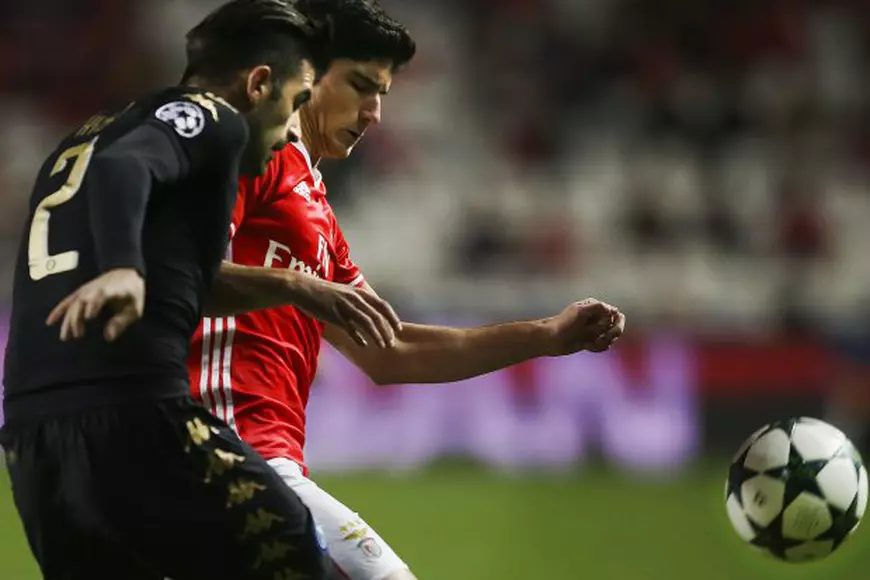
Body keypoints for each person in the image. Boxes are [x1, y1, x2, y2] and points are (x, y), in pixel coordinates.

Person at [189, 1, 627, 579]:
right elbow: (184, 272)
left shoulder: (315, 211)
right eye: (360, 86)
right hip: (225, 450)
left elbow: (389, 351)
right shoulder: (257, 156)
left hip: (246, 462)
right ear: (307, 74)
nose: (373, 112)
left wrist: (545, 335)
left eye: (383, 96)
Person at [0, 1, 339, 579]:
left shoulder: (88, 136)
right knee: (295, 551)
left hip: (36, 437)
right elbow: (127, 169)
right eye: (296, 104)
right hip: (132, 412)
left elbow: (186, 282)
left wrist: (297, 290)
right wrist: (124, 268)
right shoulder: (212, 115)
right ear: (259, 84)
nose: (289, 135)